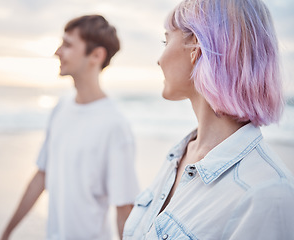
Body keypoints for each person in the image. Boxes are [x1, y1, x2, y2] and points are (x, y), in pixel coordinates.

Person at [123, 0, 294, 239]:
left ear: (196, 48)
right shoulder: (179, 154)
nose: (159, 60)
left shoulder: (266, 193)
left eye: (165, 40)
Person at [0, 15, 140, 240]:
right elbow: (42, 175)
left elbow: (124, 209)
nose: (58, 52)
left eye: (67, 45)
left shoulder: (114, 125)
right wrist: (6, 233)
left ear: (96, 55)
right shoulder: (62, 107)